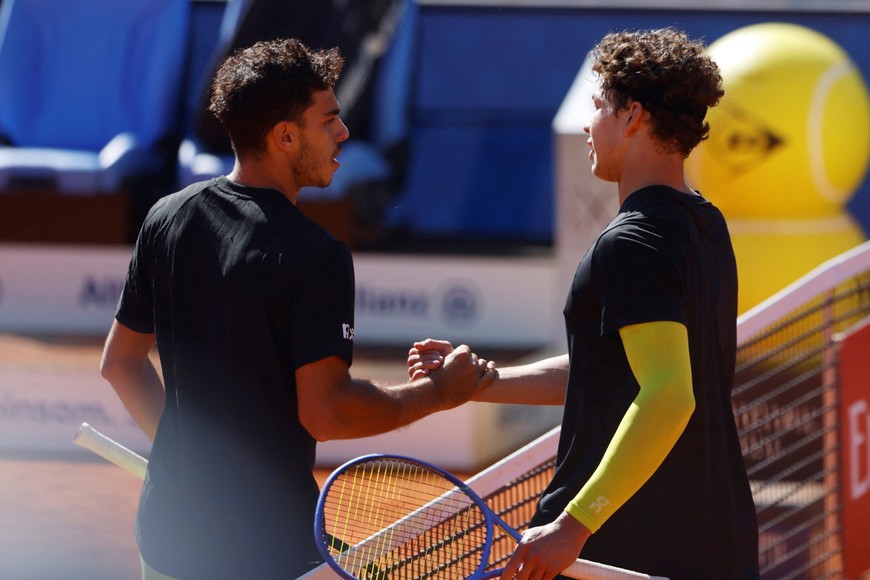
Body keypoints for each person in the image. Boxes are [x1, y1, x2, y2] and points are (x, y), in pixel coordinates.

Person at [100, 38, 495, 580]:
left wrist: (184, 457)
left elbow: (118, 364)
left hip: (166, 536)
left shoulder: (167, 216)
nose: (344, 133)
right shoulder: (317, 255)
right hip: (262, 551)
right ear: (285, 137)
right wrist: (437, 394)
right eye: (329, 119)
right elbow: (326, 412)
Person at [409, 28, 759, 580]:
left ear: (633, 116)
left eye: (598, 107)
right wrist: (488, 382)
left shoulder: (631, 244)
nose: (586, 125)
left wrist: (575, 524)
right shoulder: (707, 225)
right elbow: (619, 370)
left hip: (622, 547)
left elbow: (669, 395)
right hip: (715, 539)